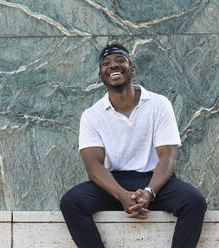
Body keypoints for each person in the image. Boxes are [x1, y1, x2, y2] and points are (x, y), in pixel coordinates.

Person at [60, 43, 207, 248]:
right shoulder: (92, 115)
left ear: (132, 69)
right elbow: (94, 166)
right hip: (114, 182)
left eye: (120, 61)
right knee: (72, 202)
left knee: (194, 201)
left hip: (156, 181)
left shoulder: (159, 104)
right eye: (106, 64)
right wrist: (122, 196)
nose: (113, 66)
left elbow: (168, 157)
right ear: (101, 75)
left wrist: (149, 192)